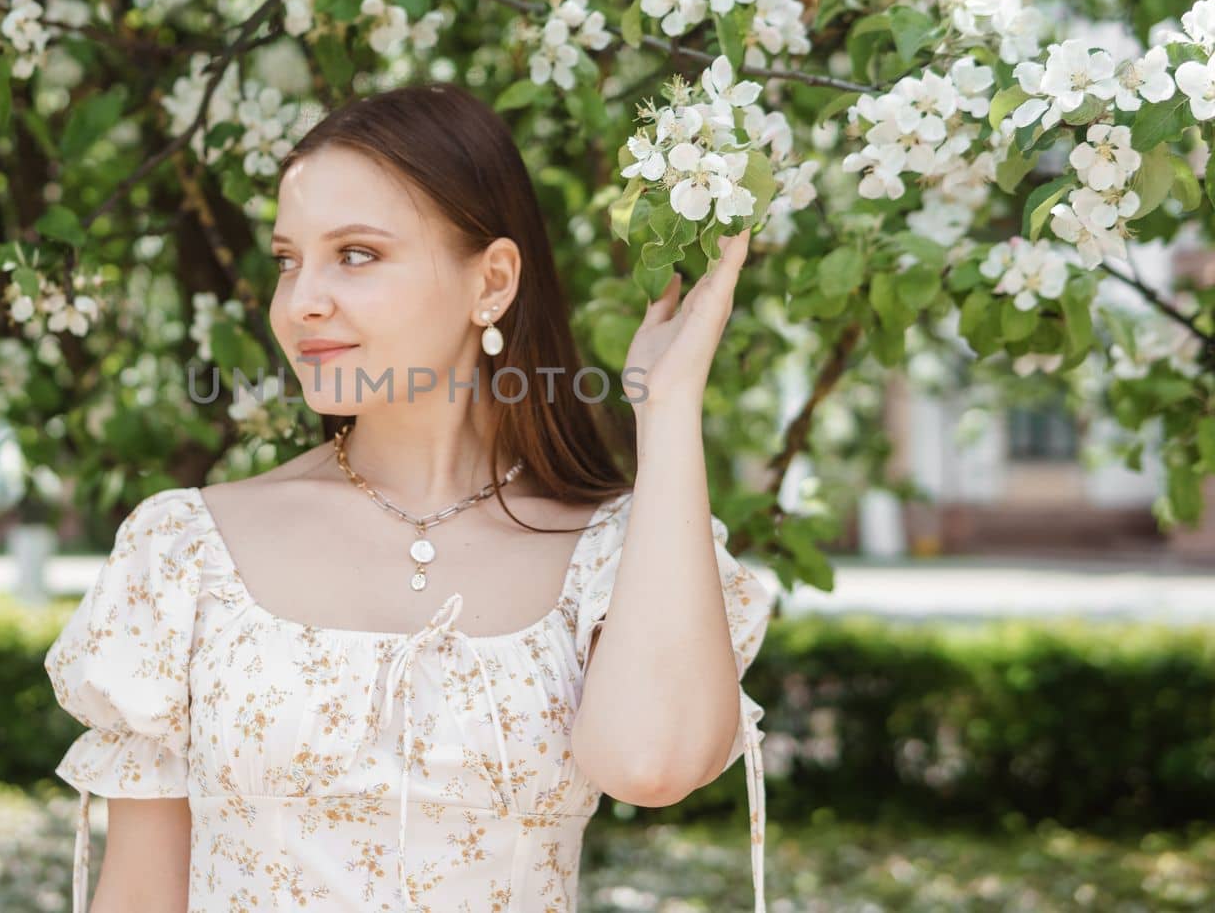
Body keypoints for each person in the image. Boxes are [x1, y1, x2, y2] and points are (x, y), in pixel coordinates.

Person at [44, 82, 774, 913]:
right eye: (288, 261)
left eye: (356, 254)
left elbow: (652, 766)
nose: (302, 301)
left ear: (491, 281)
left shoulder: (613, 555)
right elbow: (138, 897)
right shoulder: (182, 551)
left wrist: (668, 401)